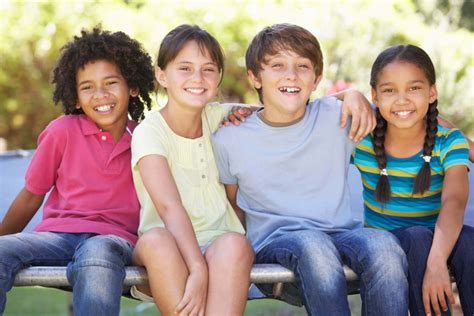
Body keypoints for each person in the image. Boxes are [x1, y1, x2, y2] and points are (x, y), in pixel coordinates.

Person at [212, 23, 408, 316]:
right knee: (312, 244)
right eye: (277, 65)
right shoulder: (229, 138)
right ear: (255, 77)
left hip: (341, 237)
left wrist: (353, 94)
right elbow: (233, 203)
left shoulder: (338, 117)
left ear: (317, 79)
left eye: (302, 66)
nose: (291, 75)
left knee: (383, 245)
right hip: (276, 245)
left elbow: (411, 121)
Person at [0, 28, 155, 315]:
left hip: (114, 240)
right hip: (58, 237)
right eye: (87, 87)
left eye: (111, 82)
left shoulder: (147, 138)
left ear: (132, 86)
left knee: (96, 253)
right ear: (74, 97)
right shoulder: (61, 131)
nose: (101, 95)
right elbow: (30, 197)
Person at [130, 24, 254, 316]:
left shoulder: (222, 117)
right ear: (162, 75)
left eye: (208, 69)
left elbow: (284, 108)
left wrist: (347, 97)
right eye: (184, 68)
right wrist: (197, 267)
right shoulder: (150, 132)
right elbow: (168, 206)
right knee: (156, 241)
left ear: (218, 77)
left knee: (236, 244)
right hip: (167, 244)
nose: (197, 78)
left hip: (221, 242)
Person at [352, 44, 473, 316]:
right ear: (375, 96)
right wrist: (348, 95)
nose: (402, 99)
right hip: (385, 246)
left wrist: (437, 261)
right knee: (417, 239)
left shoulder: (449, 142)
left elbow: (454, 202)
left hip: (440, 240)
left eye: (414, 88)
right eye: (389, 90)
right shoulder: (362, 138)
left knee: (469, 241)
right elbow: (304, 110)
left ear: (432, 92)